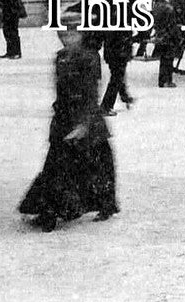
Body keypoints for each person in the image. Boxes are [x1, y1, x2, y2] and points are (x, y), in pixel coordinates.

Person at [18, 12, 119, 232]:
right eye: (62, 34)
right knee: (56, 167)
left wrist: (84, 125)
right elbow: (61, 91)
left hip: (87, 120)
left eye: (72, 33)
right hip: (64, 119)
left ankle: (106, 205)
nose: (66, 38)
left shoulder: (90, 58)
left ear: (82, 34)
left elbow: (92, 94)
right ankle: (49, 212)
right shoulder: (61, 58)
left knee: (99, 166)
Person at [100, 0, 135, 115]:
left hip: (111, 49)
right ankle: (106, 106)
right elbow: (124, 32)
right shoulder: (124, 9)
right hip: (119, 50)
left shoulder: (109, 6)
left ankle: (124, 95)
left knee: (118, 74)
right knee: (116, 77)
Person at [152, 0, 180, 89]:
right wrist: (177, 38)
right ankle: (168, 81)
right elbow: (173, 25)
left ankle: (161, 81)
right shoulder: (169, 8)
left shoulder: (157, 6)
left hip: (160, 35)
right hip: (168, 37)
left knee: (163, 60)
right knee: (169, 60)